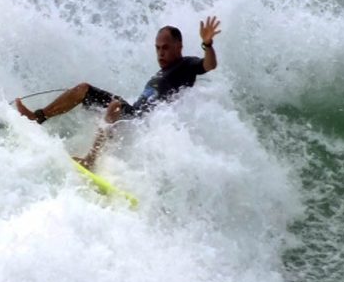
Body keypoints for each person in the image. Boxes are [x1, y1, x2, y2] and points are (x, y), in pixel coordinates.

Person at [16, 16, 221, 169]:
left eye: (165, 48)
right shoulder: (161, 71)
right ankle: (38, 117)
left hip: (142, 121)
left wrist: (207, 44)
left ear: (179, 46)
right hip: (133, 113)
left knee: (113, 106)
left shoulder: (186, 65)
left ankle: (90, 160)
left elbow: (209, 65)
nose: (160, 53)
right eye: (157, 48)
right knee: (83, 89)